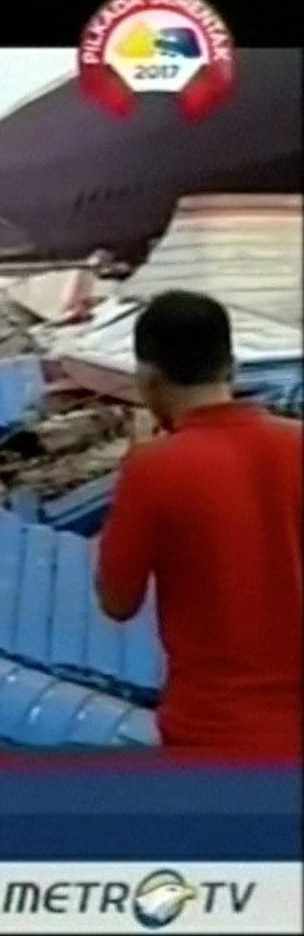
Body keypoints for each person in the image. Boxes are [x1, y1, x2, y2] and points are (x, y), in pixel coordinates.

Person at [96, 290, 302, 756]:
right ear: (231, 367)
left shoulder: (152, 469)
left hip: (211, 734)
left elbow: (117, 601)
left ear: (148, 379)